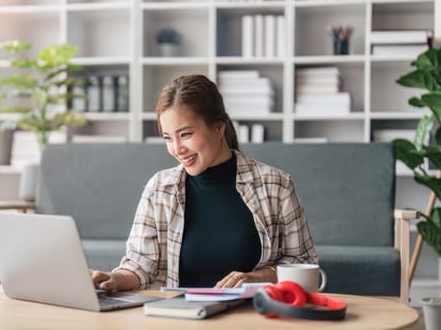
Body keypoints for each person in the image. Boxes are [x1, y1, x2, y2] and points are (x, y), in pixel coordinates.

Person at [90, 74, 318, 291]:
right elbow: (140, 265)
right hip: (179, 318)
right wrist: (113, 279)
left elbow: (304, 263)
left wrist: (256, 278)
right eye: (168, 138)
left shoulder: (275, 185)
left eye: (186, 134)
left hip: (252, 317)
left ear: (219, 127)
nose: (177, 149)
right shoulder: (159, 188)